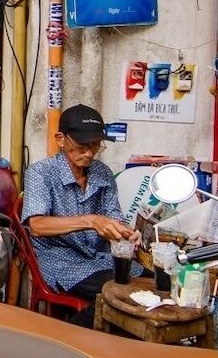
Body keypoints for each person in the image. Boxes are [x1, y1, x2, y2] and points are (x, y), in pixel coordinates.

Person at [21, 103, 136, 326]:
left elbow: (114, 217)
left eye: (95, 145)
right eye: (83, 145)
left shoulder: (103, 173)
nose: (90, 153)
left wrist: (126, 232)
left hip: (100, 258)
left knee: (150, 287)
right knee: (115, 295)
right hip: (61, 260)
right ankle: (66, 341)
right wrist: (91, 221)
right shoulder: (40, 173)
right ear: (61, 139)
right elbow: (37, 225)